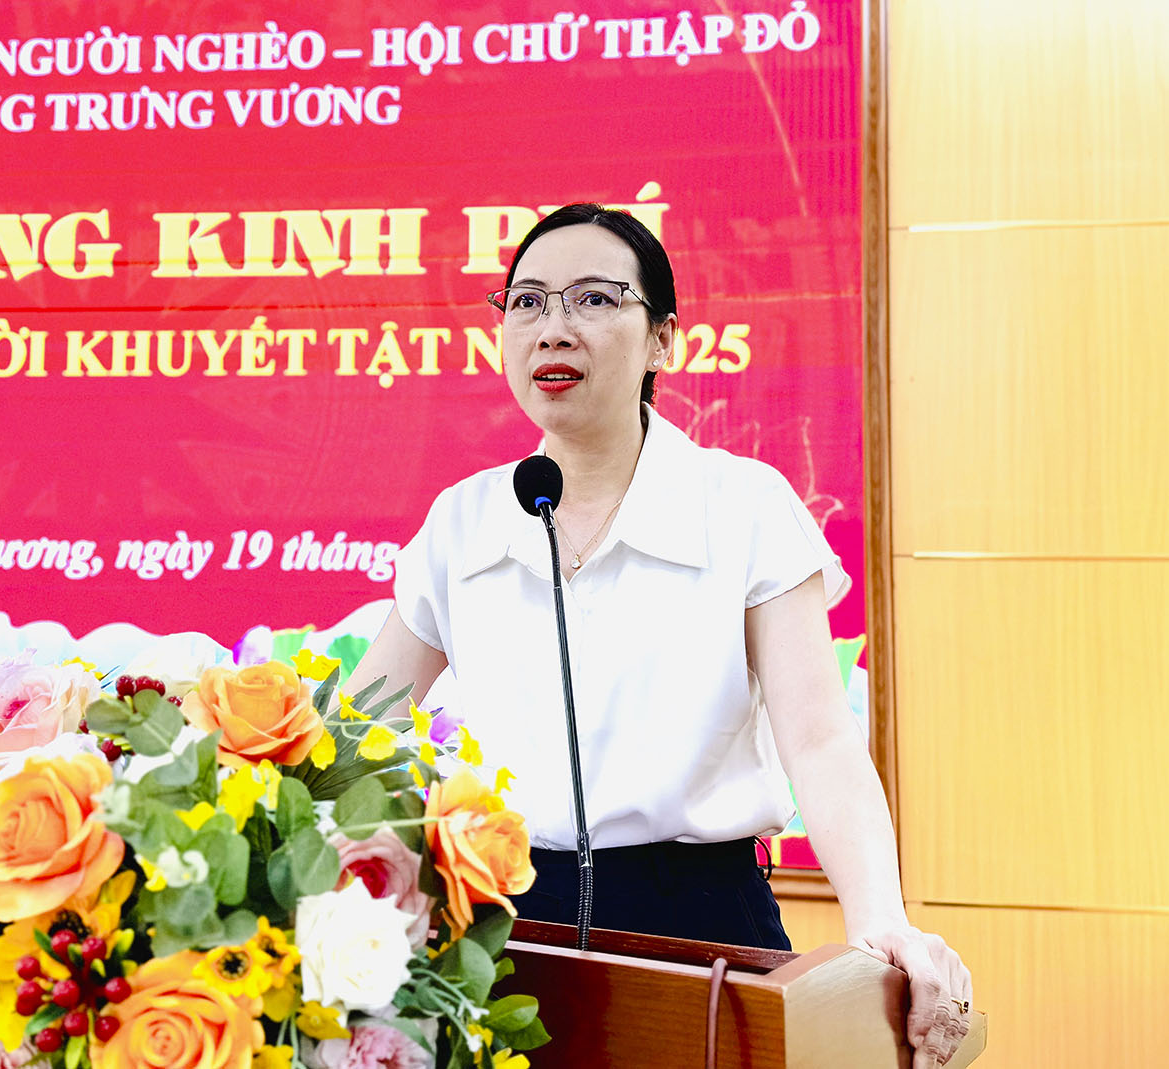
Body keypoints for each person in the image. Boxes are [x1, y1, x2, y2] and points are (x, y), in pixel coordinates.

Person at [350, 203, 972, 1067]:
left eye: (593, 299)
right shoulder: (464, 521)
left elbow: (821, 743)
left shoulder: (743, 507)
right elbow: (354, 732)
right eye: (526, 302)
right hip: (502, 931)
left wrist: (880, 921)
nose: (553, 328)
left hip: (702, 922)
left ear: (662, 339)